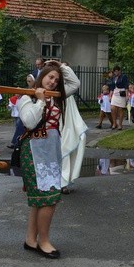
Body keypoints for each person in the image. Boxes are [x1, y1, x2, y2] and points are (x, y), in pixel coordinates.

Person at [16, 61, 74, 259]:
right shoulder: (26, 98)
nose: (53, 82)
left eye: (56, 80)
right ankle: (44, 241)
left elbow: (75, 83)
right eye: (50, 77)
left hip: (51, 150)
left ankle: (31, 239)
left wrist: (60, 66)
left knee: (41, 199)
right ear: (41, 76)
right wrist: (40, 101)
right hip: (33, 149)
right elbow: (29, 122)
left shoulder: (57, 96)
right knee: (47, 197)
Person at [58, 63, 87, 195]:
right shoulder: (45, 90)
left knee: (65, 147)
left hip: (65, 125)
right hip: (50, 128)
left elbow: (75, 83)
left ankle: (63, 182)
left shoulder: (64, 92)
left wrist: (62, 66)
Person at [108, 66, 129, 130]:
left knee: (120, 109)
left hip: (121, 93)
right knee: (112, 108)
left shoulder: (124, 76)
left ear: (120, 71)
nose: (115, 72)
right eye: (114, 71)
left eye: (116, 71)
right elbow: (112, 87)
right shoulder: (113, 77)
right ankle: (114, 123)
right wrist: (110, 95)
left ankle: (120, 124)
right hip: (115, 93)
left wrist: (127, 95)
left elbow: (126, 86)